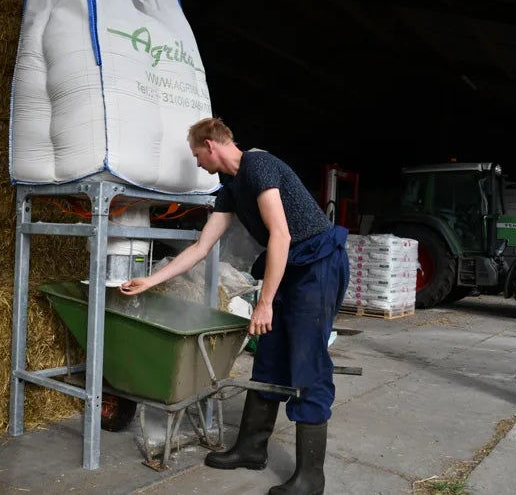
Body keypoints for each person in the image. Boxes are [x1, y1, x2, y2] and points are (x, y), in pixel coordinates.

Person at [120, 117, 349, 495]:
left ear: (211, 145)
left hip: (317, 264)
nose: (196, 163)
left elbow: (280, 233)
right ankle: (251, 448)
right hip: (290, 265)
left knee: (306, 363)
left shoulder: (258, 165)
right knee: (270, 357)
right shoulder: (230, 189)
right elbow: (200, 247)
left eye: (196, 154)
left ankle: (311, 478)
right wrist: (151, 280)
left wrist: (265, 304)